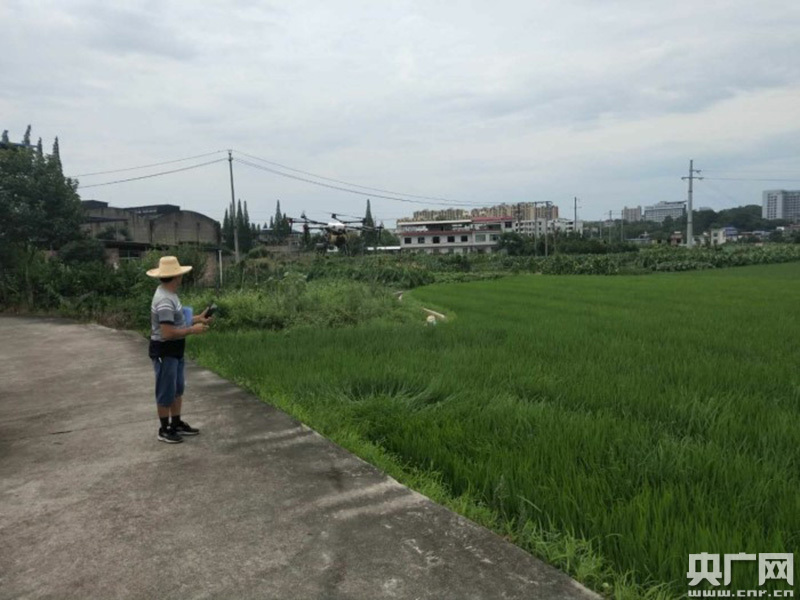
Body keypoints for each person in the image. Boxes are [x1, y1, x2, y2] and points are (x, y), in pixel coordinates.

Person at [146, 256, 212, 444]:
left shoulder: (170, 294)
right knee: (165, 391)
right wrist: (193, 330)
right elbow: (167, 332)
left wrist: (198, 318)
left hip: (175, 350)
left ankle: (176, 423)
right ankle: (164, 429)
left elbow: (177, 321)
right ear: (176, 276)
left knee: (177, 388)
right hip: (165, 351)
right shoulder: (164, 300)